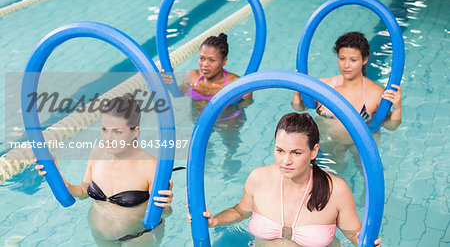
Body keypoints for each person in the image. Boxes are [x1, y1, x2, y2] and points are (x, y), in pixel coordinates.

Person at [187, 113, 382, 247]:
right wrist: (215, 221)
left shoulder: (336, 191)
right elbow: (240, 211)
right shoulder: (259, 178)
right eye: (280, 150)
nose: (286, 161)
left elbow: (354, 235)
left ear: (314, 151)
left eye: (296, 153)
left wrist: (365, 242)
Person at [35, 93, 173, 246]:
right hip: (101, 238)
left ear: (134, 131)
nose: (108, 138)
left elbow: (164, 213)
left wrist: (165, 205)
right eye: (104, 129)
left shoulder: (151, 166)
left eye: (117, 132)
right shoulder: (97, 153)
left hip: (139, 237)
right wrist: (55, 174)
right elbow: (82, 193)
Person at [162, 33, 252, 176]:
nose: (205, 64)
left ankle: (229, 161)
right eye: (202, 58)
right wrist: (166, 82)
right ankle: (206, 167)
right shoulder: (192, 76)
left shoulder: (234, 82)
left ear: (224, 61)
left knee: (231, 145)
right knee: (203, 147)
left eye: (212, 60)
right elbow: (178, 95)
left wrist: (247, 96)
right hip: (200, 120)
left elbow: (246, 103)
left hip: (227, 121)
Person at [292, 32, 402, 132]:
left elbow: (389, 125)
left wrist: (397, 108)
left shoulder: (376, 93)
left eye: (353, 60)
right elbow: (301, 107)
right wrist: (297, 92)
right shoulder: (325, 85)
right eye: (342, 58)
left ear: (365, 59)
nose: (346, 65)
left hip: (360, 147)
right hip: (326, 144)